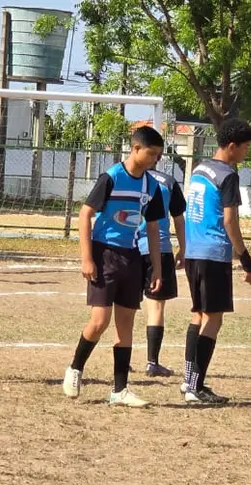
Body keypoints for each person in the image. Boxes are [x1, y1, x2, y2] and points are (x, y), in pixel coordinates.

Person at [62, 126, 166, 408]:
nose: (156, 159)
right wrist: (86, 257)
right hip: (103, 253)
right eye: (152, 153)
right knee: (99, 321)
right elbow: (85, 215)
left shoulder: (151, 186)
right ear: (135, 149)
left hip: (132, 257)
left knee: (126, 325)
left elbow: (153, 228)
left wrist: (156, 267)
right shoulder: (112, 177)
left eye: (158, 155)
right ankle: (75, 368)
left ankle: (119, 390)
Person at [180, 118, 251, 404]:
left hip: (193, 251)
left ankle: (188, 379)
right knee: (213, 319)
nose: (247, 152)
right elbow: (229, 220)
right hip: (213, 253)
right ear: (232, 146)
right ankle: (194, 386)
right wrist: (245, 259)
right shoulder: (228, 175)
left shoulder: (200, 168)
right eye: (246, 147)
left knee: (197, 314)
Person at [138, 164, 187, 377]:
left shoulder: (128, 178)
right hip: (159, 248)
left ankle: (123, 359)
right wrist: (183, 249)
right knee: (156, 307)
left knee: (125, 306)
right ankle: (152, 362)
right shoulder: (168, 181)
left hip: (130, 247)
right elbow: (178, 218)